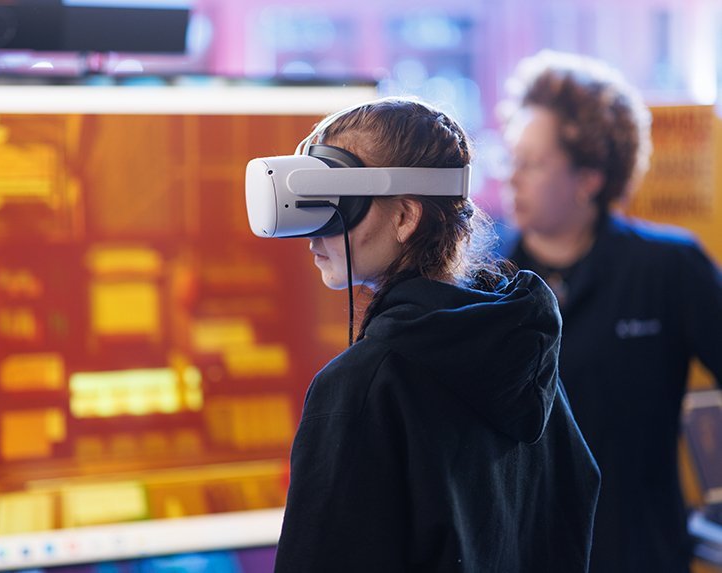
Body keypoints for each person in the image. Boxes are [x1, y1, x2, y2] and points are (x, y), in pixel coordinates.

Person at [265, 97, 600, 572]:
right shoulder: (524, 354)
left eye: (339, 204)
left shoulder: (364, 385)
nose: (315, 232)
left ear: (405, 217)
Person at [499, 50, 722, 573]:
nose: (511, 178)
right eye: (510, 158)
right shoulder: (486, 281)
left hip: (639, 554)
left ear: (590, 177)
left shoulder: (669, 267)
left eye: (531, 163)